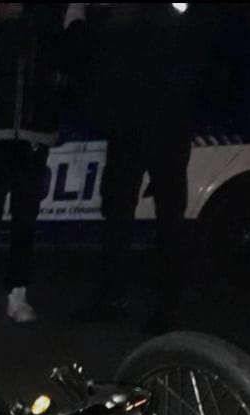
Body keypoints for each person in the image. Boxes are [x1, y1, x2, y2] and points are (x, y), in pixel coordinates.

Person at [0, 2, 86, 327]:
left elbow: (74, 54)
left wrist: (73, 20)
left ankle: (18, 291)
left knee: (25, 216)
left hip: (35, 128)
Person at [76, 2, 200, 331]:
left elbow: (106, 77)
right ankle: (149, 304)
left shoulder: (132, 24)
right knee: (150, 221)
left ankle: (147, 304)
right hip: (150, 133)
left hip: (147, 133)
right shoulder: (164, 24)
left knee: (151, 221)